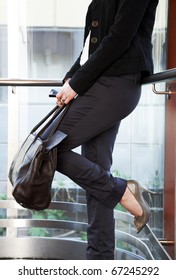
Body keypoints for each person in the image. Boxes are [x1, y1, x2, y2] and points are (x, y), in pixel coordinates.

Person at [55, 0, 159, 260]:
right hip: (99, 84)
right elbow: (92, 47)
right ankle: (100, 261)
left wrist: (77, 83)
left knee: (49, 148)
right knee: (96, 168)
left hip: (117, 84)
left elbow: (119, 38)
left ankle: (122, 191)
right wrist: (72, 75)